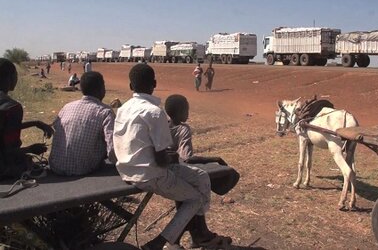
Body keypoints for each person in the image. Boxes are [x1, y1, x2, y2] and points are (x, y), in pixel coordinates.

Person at [114, 64, 231, 250]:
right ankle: (160, 242)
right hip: (150, 174)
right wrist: (172, 157)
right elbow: (161, 160)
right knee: (195, 199)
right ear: (154, 83)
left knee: (201, 177)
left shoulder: (123, 109)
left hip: (126, 170)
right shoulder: (154, 112)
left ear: (130, 86)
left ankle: (199, 234)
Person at [165, 94, 239, 195]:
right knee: (230, 173)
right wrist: (215, 159)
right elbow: (186, 158)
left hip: (162, 164)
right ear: (179, 112)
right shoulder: (183, 129)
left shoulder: (163, 124)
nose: (188, 113)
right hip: (174, 168)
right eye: (186, 110)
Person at [49, 71, 117, 176]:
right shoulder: (105, 112)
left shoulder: (67, 107)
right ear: (101, 88)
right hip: (83, 169)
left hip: (56, 166)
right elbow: (112, 149)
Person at [0, 58, 53, 179]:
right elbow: (9, 152)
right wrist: (31, 149)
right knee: (33, 164)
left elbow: (5, 127)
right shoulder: (12, 107)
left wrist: (35, 123)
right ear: (10, 77)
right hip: (3, 169)